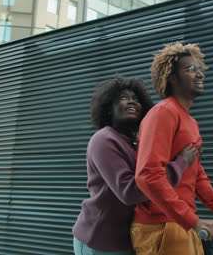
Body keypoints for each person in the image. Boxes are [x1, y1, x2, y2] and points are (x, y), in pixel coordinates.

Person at [131, 43, 213, 255]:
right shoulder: (163, 113)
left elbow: (196, 175)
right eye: (190, 69)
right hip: (161, 227)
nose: (199, 74)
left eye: (200, 69)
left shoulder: (190, 122)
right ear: (172, 78)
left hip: (182, 223)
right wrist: (192, 220)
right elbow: (147, 176)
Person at [72, 75, 198, 255]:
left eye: (136, 99)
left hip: (129, 238)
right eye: (124, 98)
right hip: (100, 240)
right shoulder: (104, 139)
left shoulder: (136, 142)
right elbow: (130, 191)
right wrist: (181, 163)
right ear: (109, 108)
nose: (132, 102)